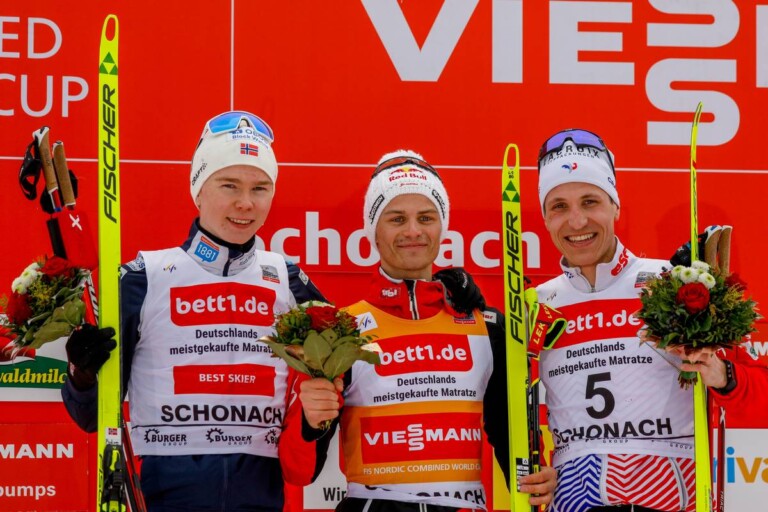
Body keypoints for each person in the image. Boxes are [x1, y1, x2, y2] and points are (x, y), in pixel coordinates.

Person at [61, 111, 333, 512]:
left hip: (260, 494)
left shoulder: (290, 282)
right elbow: (92, 415)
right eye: (229, 185)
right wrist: (82, 375)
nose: (245, 203)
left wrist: (315, 421)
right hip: (166, 492)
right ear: (199, 189)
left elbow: (323, 407)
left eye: (260, 187)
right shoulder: (143, 278)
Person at [294, 150, 556, 511]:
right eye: (397, 218)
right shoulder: (341, 332)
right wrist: (310, 422)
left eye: (426, 217)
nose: (413, 231)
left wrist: (539, 480)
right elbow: (301, 471)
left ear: (441, 226)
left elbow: (516, 453)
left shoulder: (487, 327)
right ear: (373, 229)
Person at [534, 128, 698, 512]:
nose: (576, 222)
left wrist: (723, 373)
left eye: (590, 201)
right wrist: (543, 466)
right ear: (544, 217)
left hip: (671, 491)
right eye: (559, 206)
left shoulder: (672, 282)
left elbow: (744, 385)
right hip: (576, 496)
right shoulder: (535, 304)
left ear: (615, 206)